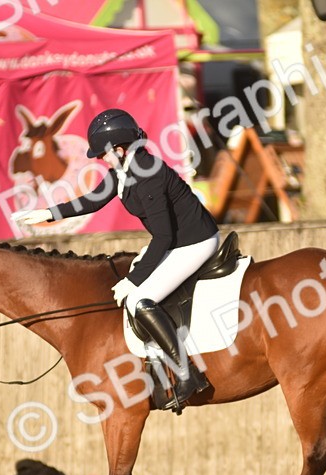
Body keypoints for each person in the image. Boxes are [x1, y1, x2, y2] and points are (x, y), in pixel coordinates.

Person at [11, 109, 219, 411]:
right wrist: (48, 214)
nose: (100, 159)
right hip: (177, 241)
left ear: (120, 150)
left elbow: (164, 239)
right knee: (137, 286)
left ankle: (188, 375)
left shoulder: (149, 175)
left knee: (139, 301)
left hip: (195, 243)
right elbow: (92, 201)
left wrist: (133, 282)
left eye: (104, 154)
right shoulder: (123, 171)